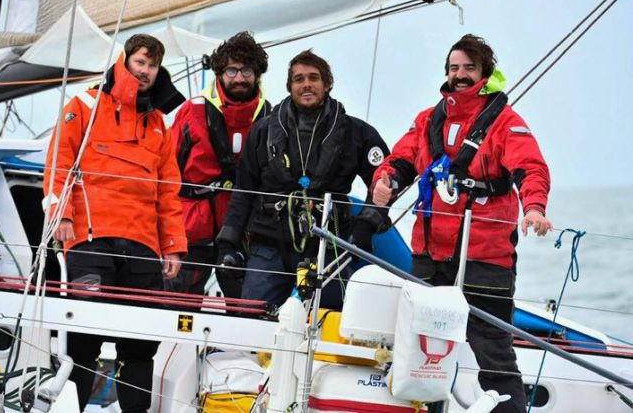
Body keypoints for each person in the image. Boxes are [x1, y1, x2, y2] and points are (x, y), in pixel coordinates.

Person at [372, 34, 552, 412]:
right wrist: (384, 182)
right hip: (430, 253)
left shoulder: (505, 121)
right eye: (454, 68)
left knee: (494, 353)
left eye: (469, 68)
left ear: (485, 72)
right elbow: (402, 161)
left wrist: (533, 208)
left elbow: (531, 168)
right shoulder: (428, 120)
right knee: (422, 348)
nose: (460, 75)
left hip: (486, 257)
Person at [43, 34, 187, 413]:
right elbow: (59, 162)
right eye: (140, 62)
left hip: (143, 246)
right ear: (124, 61)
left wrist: (173, 244)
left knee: (140, 343)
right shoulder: (85, 104)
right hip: (91, 240)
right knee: (83, 338)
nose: (145, 72)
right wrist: (61, 215)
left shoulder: (160, 125)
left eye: (152, 66)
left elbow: (169, 191)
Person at [216, 49, 390, 311]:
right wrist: (228, 243)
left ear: (327, 84)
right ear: (290, 86)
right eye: (299, 79)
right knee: (250, 317)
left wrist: (365, 225)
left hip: (328, 247)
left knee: (326, 325)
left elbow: (386, 181)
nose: (306, 84)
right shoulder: (262, 131)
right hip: (268, 246)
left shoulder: (358, 133)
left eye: (314, 78)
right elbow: (243, 191)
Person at [171, 31, 271, 298]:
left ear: (258, 74)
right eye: (232, 70)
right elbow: (167, 174)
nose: (239, 78)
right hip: (191, 227)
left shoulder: (270, 118)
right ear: (220, 73)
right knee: (176, 306)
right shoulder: (191, 112)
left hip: (243, 230)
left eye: (247, 70)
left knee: (244, 310)